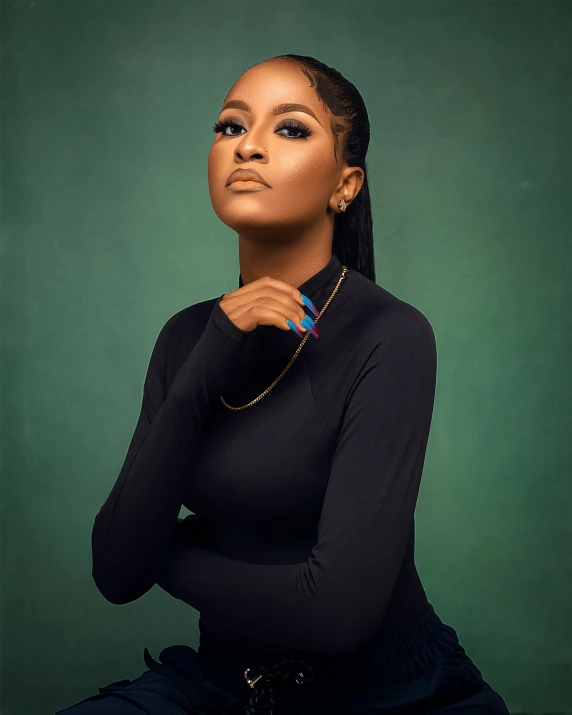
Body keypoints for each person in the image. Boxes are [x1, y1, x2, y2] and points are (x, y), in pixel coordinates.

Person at [55, 54, 511, 715]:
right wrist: (205, 363)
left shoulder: (393, 335)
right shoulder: (186, 337)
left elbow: (336, 613)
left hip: (385, 693)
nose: (250, 145)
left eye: (291, 129)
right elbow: (116, 573)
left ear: (345, 185)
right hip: (221, 686)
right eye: (230, 126)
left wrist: (167, 552)